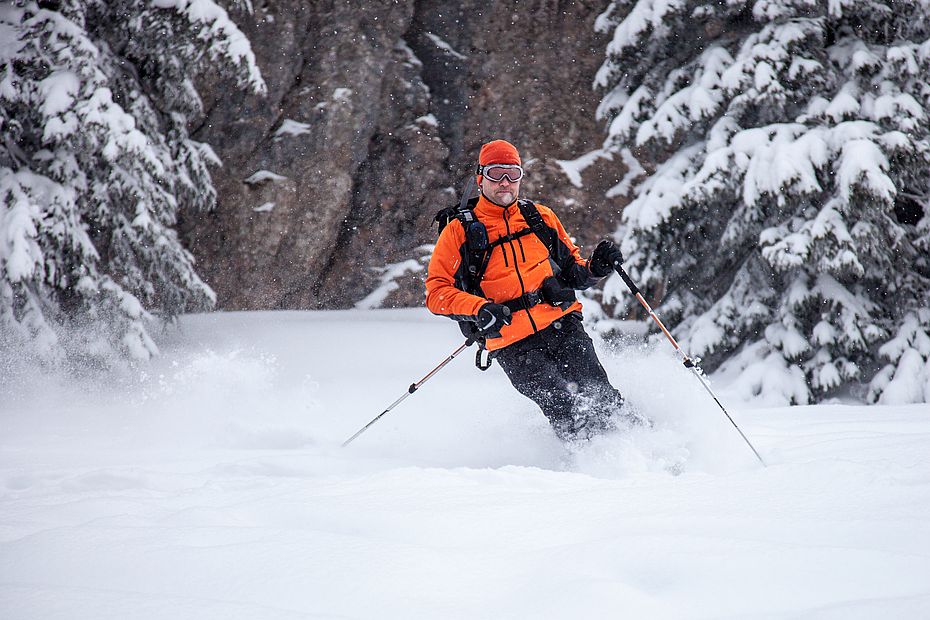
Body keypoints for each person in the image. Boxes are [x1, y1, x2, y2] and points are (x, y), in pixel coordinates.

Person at [425, 139, 643, 440]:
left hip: (562, 324)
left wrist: (597, 267)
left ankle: (646, 445)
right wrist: (479, 309)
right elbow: (436, 293)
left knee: (601, 394)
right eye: (496, 173)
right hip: (512, 341)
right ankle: (592, 464)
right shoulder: (459, 230)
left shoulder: (538, 216)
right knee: (563, 406)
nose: (505, 182)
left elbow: (574, 272)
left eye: (512, 174)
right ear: (480, 178)